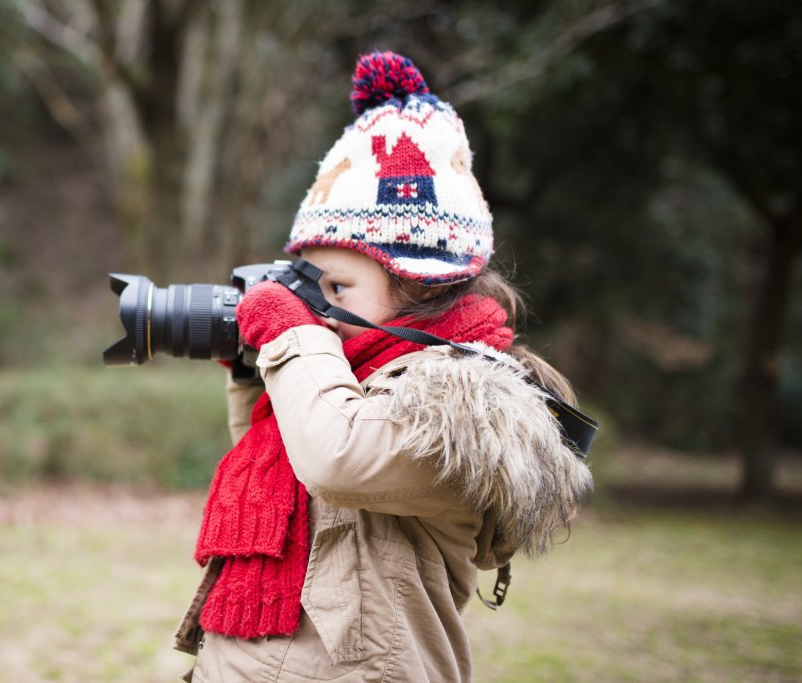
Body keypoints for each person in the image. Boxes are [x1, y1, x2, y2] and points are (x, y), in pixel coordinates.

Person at [173, 51, 594, 682]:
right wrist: (250, 377)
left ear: (422, 291)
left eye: (336, 288)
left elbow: (335, 460)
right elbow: (300, 490)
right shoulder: (353, 379)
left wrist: (290, 335)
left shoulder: (461, 408)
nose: (316, 305)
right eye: (306, 283)